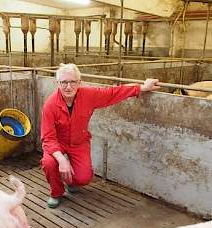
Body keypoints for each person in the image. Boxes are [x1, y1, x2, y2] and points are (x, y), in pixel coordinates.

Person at [40, 63, 160, 209]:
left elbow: (112, 93)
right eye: (64, 82)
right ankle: (56, 193)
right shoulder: (50, 105)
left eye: (72, 82)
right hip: (57, 144)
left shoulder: (88, 95)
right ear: (57, 83)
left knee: (84, 178)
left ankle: (71, 182)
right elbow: (48, 138)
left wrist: (142, 87)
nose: (68, 87)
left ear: (80, 82)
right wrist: (61, 160)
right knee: (49, 163)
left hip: (79, 142)